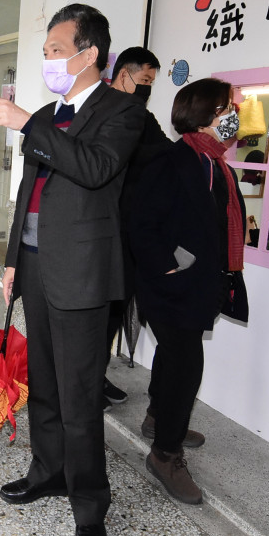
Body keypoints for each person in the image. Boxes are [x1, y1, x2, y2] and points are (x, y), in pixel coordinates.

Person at [0, 3, 145, 536]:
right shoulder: (52, 114)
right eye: (47, 52)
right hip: (34, 264)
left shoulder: (123, 112)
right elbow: (30, 188)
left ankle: (90, 505)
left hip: (81, 274)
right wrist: (9, 261)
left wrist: (30, 123)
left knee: (79, 395)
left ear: (88, 53)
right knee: (44, 385)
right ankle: (48, 472)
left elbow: (95, 169)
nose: (48, 60)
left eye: (55, 51)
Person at [127, 77, 248, 505]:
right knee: (185, 367)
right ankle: (165, 453)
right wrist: (172, 265)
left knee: (175, 359)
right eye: (223, 110)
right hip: (171, 288)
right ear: (199, 114)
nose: (232, 116)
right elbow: (140, 225)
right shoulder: (171, 161)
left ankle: (159, 418)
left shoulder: (219, 165)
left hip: (202, 286)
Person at [104, 46, 168, 407]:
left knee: (115, 308)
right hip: (100, 226)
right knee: (98, 311)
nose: (146, 88)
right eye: (144, 80)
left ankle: (95, 374)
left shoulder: (142, 115)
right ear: (123, 73)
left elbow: (162, 153)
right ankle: (83, 380)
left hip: (129, 227)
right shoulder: (98, 109)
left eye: (151, 83)